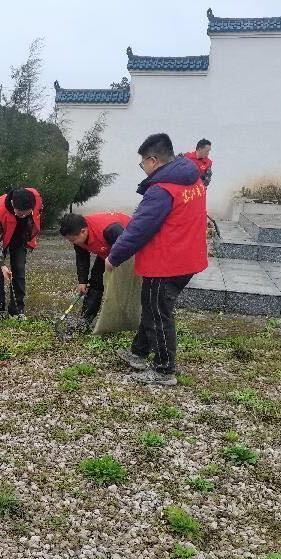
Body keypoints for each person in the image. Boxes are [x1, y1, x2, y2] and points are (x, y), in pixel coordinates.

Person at [105, 133, 208, 386]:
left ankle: (164, 370)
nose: (144, 169)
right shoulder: (192, 177)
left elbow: (139, 228)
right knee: (153, 308)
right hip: (188, 256)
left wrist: (114, 256)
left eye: (143, 164)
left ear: (153, 160)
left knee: (159, 313)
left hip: (167, 262)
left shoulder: (162, 189)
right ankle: (139, 353)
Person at [58, 212, 131, 327]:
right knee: (96, 281)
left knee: (123, 284)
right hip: (107, 250)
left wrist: (114, 261)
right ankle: (85, 321)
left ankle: (127, 318)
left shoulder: (111, 229)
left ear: (83, 231)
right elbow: (82, 258)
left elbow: (127, 248)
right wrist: (82, 281)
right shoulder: (78, 233)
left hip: (129, 248)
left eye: (73, 240)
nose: (73, 243)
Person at [0, 187, 43, 318]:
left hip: (20, 237)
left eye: (27, 213)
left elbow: (37, 218)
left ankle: (17, 310)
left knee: (19, 270)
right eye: (20, 213)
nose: (23, 216)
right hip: (1, 238)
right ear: (12, 204)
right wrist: (2, 265)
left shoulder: (35, 200)